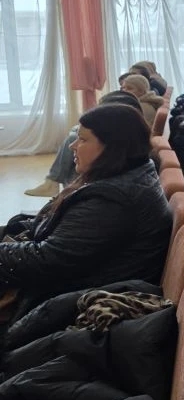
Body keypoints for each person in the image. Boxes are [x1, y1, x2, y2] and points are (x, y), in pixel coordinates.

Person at [0, 104, 172, 320]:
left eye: (82, 139)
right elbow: (54, 228)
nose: (72, 145)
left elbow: (48, 260)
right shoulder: (130, 175)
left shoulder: (111, 200)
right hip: (71, 287)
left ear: (112, 146)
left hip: (61, 303)